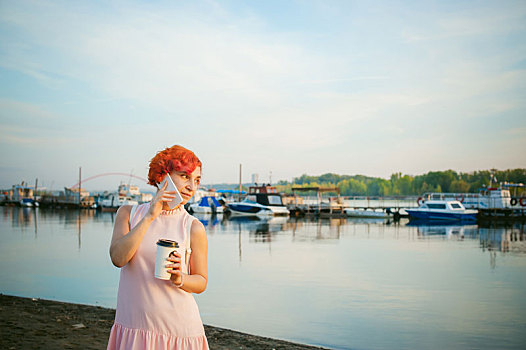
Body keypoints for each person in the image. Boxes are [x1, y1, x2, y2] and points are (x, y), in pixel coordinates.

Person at [107, 145, 209, 350]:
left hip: (179, 331)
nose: (192, 187)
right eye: (184, 176)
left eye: (196, 180)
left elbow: (201, 281)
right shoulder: (128, 214)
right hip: (133, 328)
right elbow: (118, 259)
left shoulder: (193, 227)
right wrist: (150, 216)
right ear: (163, 176)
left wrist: (181, 278)